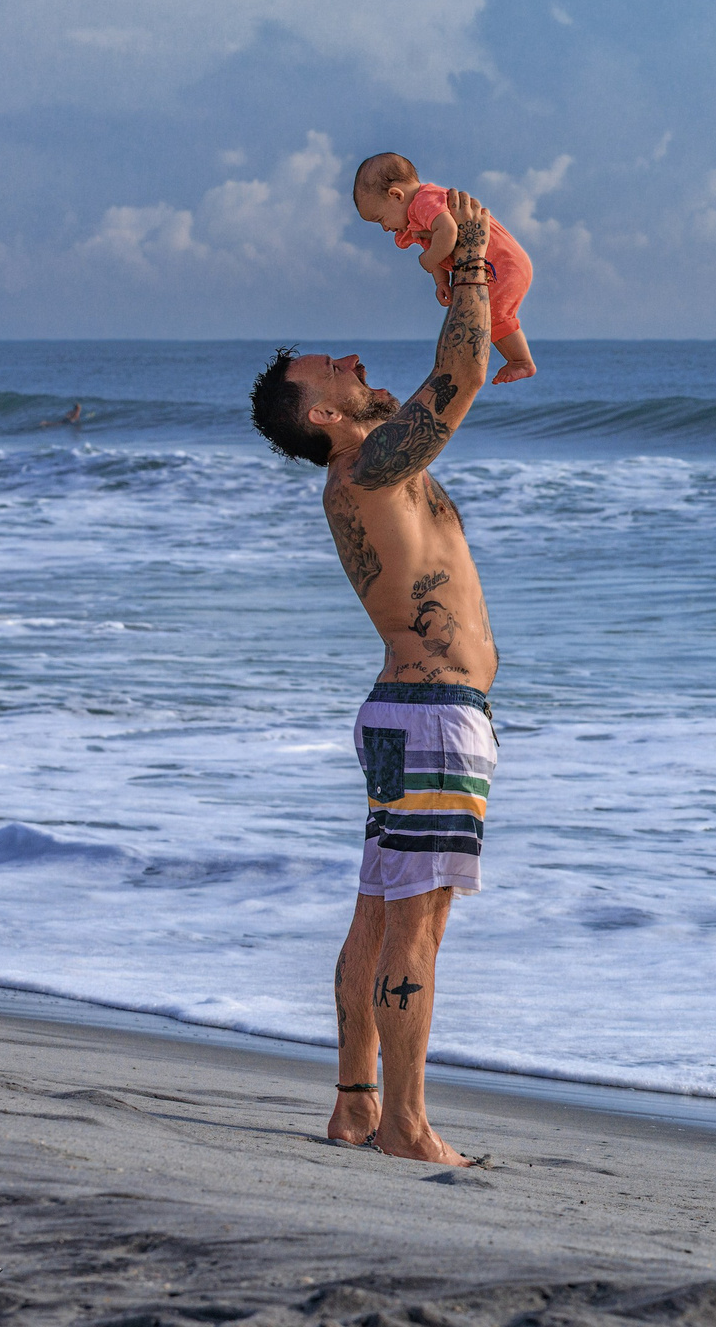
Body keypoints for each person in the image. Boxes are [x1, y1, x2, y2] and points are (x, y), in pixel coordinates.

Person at [247, 187, 502, 1166]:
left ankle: (355, 1103)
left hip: (408, 711)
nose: (357, 362)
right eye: (337, 368)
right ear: (322, 412)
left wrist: (465, 284)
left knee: (377, 909)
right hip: (434, 714)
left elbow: (456, 368)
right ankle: (404, 1124)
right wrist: (472, 260)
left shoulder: (364, 474)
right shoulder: (372, 467)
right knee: (415, 928)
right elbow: (460, 371)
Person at [353, 152, 538, 385]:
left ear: (395, 195)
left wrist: (427, 261)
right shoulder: (418, 214)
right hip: (497, 264)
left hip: (503, 264)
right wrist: (440, 281)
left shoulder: (423, 202)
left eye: (381, 219)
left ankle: (522, 362)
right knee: (484, 319)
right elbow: (437, 245)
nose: (384, 228)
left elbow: (448, 233)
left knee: (491, 316)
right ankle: (516, 360)